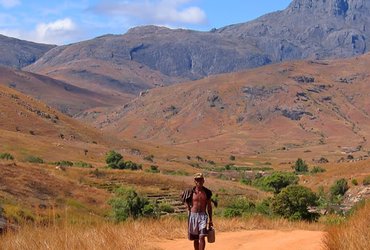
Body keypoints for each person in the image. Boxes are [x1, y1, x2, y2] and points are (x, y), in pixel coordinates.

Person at [181, 173, 213, 250]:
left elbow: (209, 206)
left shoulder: (207, 192)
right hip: (193, 216)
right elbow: (183, 198)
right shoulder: (190, 192)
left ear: (203, 180)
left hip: (203, 216)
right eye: (197, 180)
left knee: (202, 236)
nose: (199, 181)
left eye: (200, 179)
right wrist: (187, 206)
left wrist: (210, 219)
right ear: (195, 181)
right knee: (195, 238)